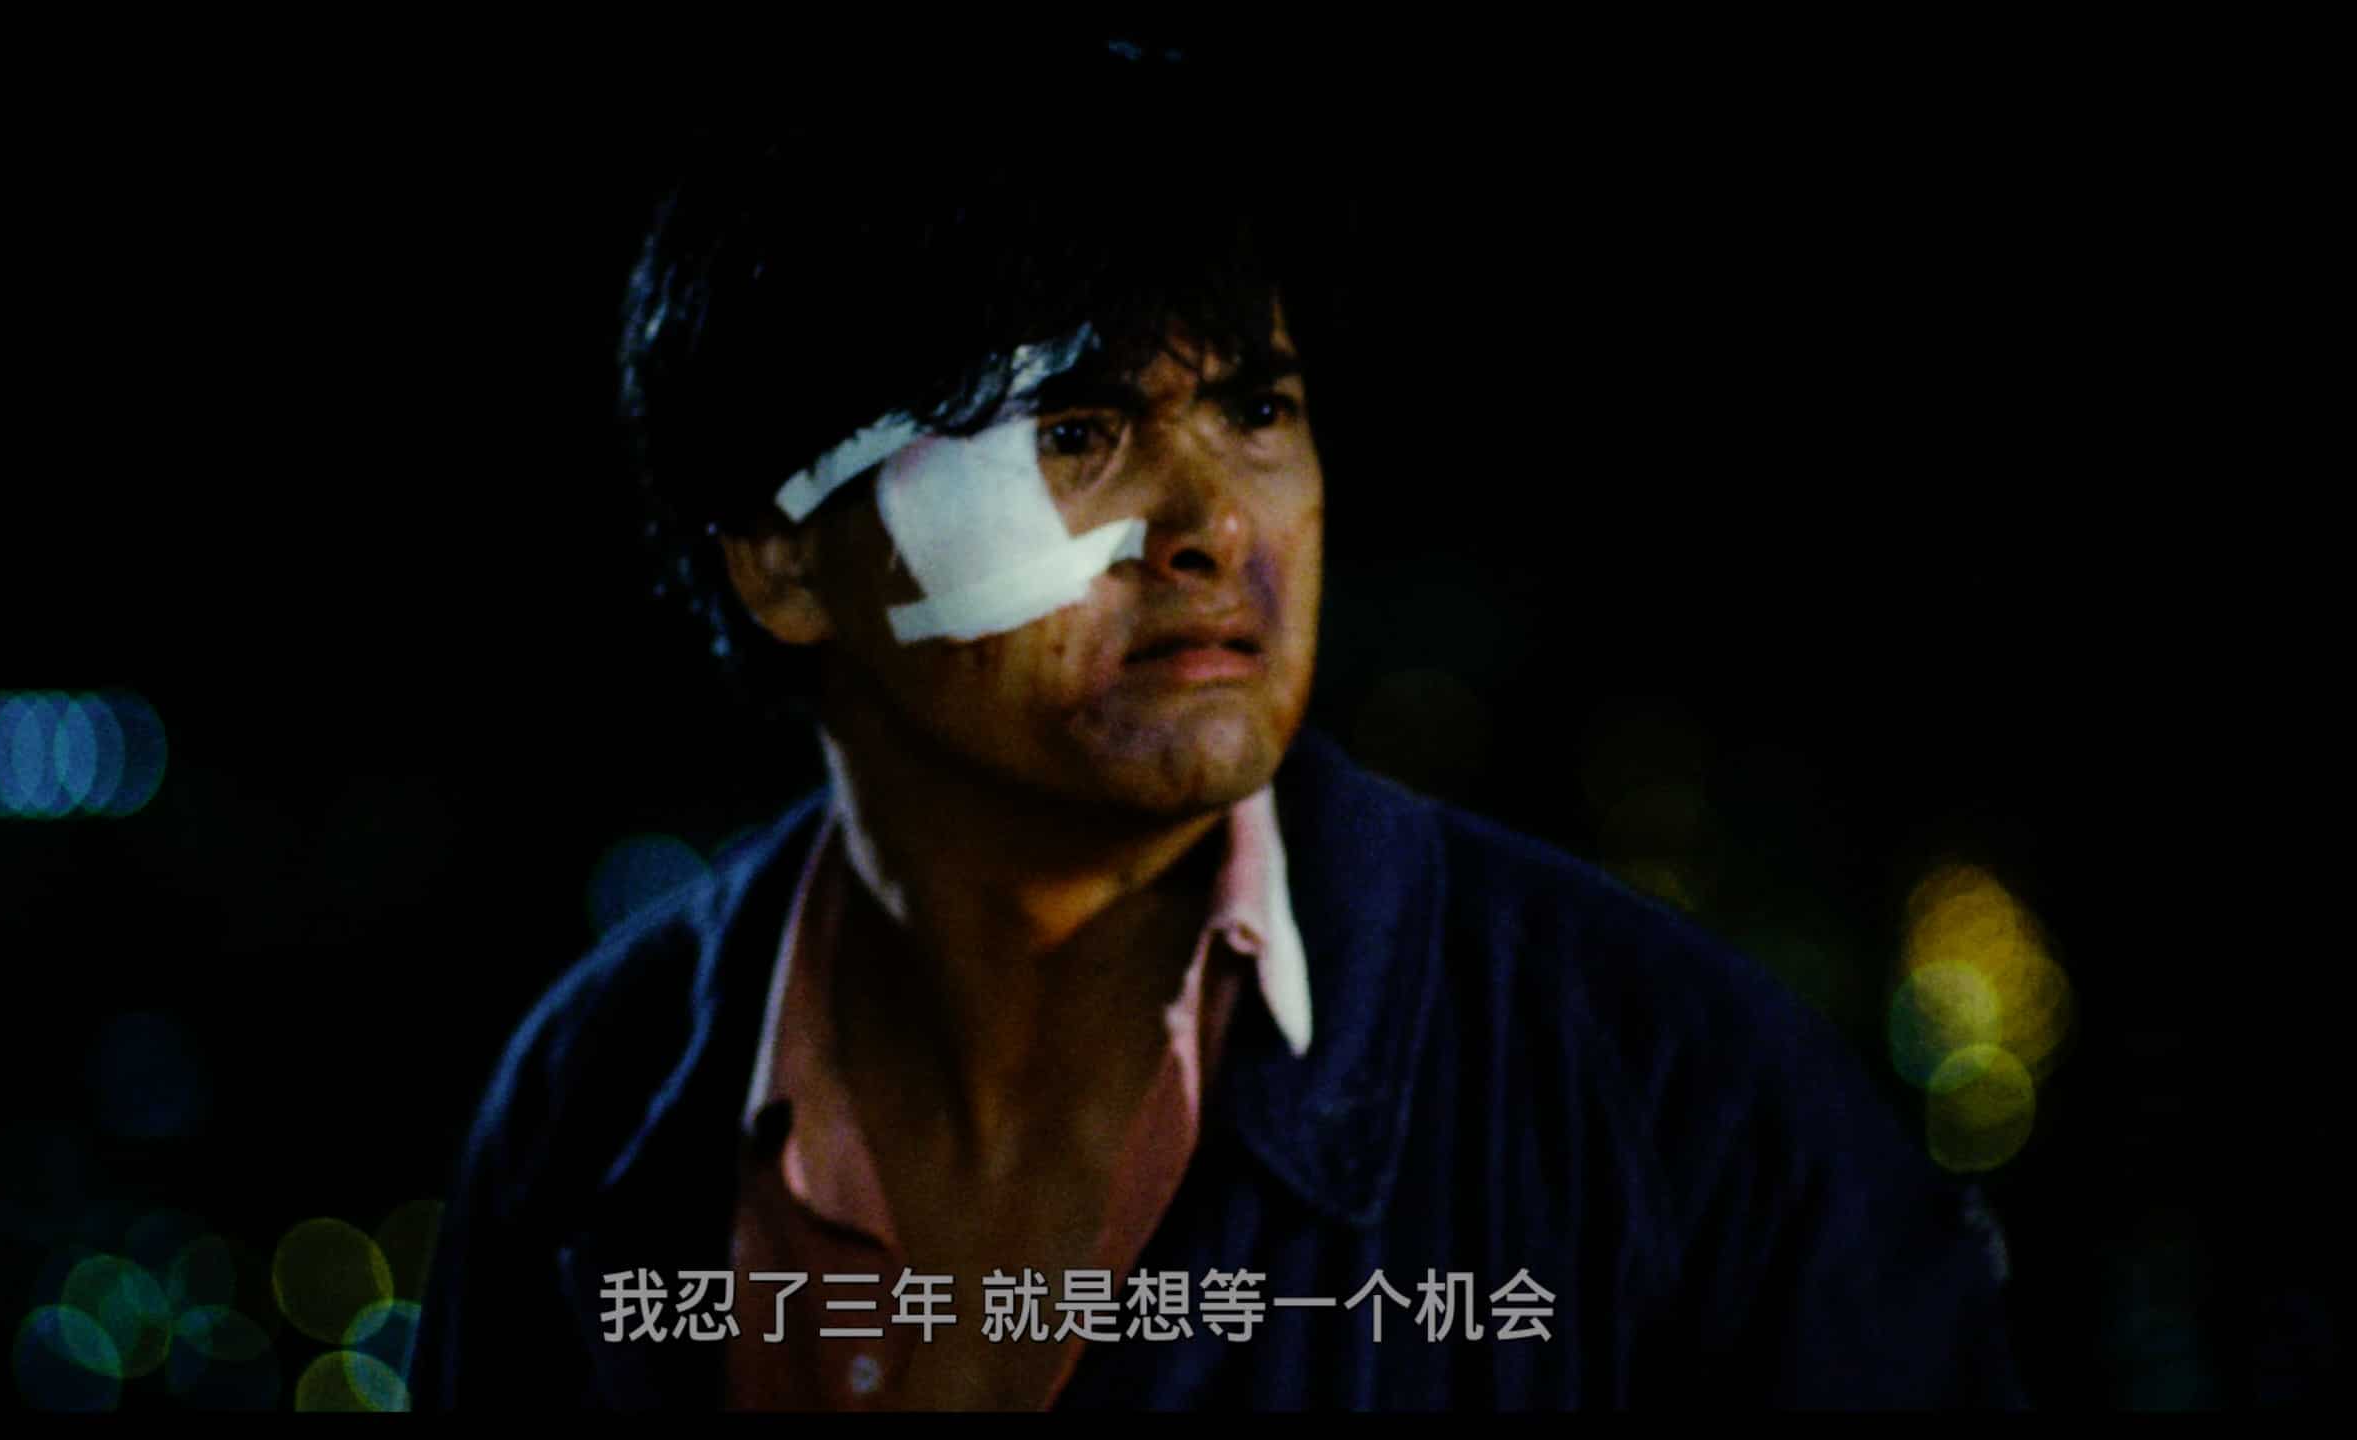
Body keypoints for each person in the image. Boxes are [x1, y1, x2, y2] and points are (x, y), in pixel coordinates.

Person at [410, 41, 2023, 1410]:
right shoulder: (591, 1112)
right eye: (1075, 431)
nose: (1215, 525)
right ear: (780, 559)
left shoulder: (1678, 1106)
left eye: (1256, 409)